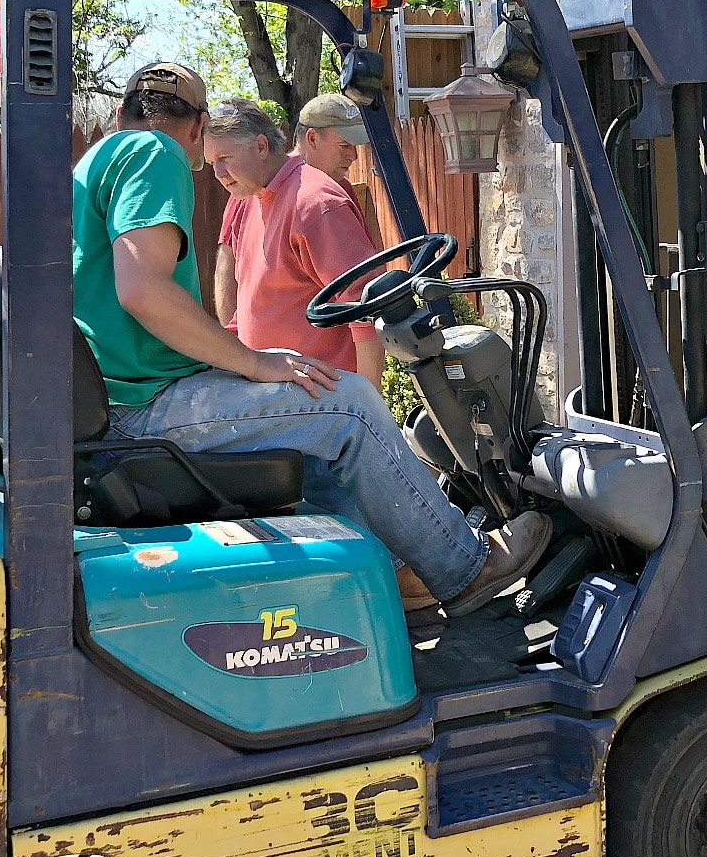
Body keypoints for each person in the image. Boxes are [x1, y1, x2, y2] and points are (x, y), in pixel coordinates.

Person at [74, 66, 548, 618]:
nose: (216, 169)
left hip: (122, 396)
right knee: (350, 405)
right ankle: (463, 568)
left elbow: (356, 304)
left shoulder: (92, 163)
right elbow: (143, 290)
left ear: (118, 110)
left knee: (324, 409)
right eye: (212, 154)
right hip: (142, 407)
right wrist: (252, 363)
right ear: (199, 128)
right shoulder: (154, 152)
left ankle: (395, 572)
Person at [208, 97, 383, 382]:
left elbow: (363, 311)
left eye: (224, 159)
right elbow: (249, 298)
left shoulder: (316, 202)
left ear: (262, 146)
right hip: (272, 393)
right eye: (212, 162)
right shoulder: (250, 196)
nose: (217, 173)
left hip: (320, 400)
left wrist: (369, 404)